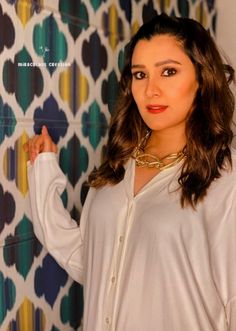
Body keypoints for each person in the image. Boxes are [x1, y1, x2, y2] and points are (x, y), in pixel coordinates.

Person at [25, 13, 236, 331]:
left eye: (168, 72)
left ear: (202, 79)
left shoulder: (226, 178)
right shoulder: (118, 165)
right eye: (140, 74)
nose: (151, 89)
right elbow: (92, 263)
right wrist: (43, 173)